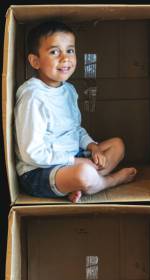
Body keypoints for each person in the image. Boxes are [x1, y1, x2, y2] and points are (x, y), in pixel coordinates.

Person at [15, 21, 137, 203]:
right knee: (84, 172)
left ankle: (80, 185)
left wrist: (92, 147)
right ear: (35, 61)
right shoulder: (33, 97)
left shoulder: (69, 90)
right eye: (54, 52)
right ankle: (107, 182)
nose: (65, 58)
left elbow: (75, 129)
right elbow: (31, 153)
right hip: (39, 171)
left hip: (71, 158)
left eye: (70, 50)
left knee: (117, 145)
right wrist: (74, 162)